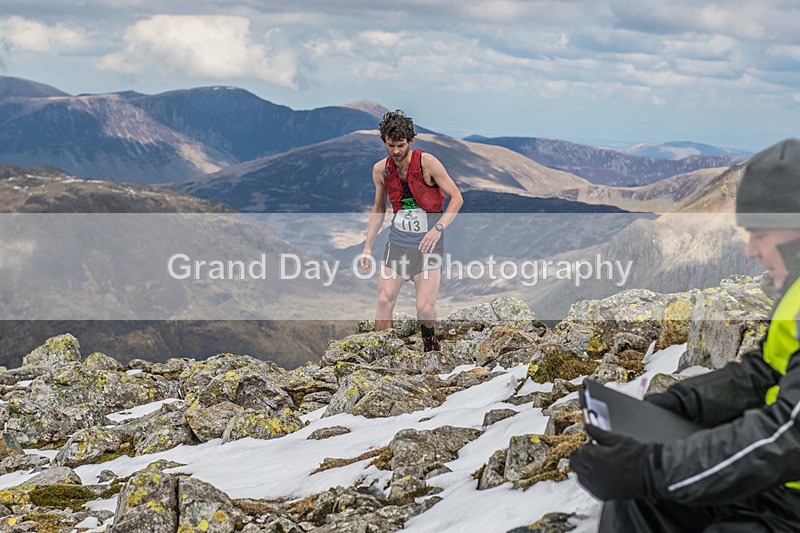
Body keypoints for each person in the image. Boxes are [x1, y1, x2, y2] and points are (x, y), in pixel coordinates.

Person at [570, 138, 800, 532]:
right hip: (777, 486)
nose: (751, 250)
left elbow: (790, 436)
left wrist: (654, 469)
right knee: (638, 499)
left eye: (761, 233)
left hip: (787, 494)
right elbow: (763, 373)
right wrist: (684, 402)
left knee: (652, 484)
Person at [360, 111, 463, 351]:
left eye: (401, 145)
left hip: (428, 245)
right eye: (391, 145)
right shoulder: (381, 170)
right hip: (398, 242)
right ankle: (383, 352)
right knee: (384, 299)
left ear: (410, 141)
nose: (396, 151)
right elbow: (379, 208)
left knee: (424, 309)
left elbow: (457, 198)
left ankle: (429, 341)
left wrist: (438, 229)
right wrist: (367, 247)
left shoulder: (427, 163)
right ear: (384, 142)